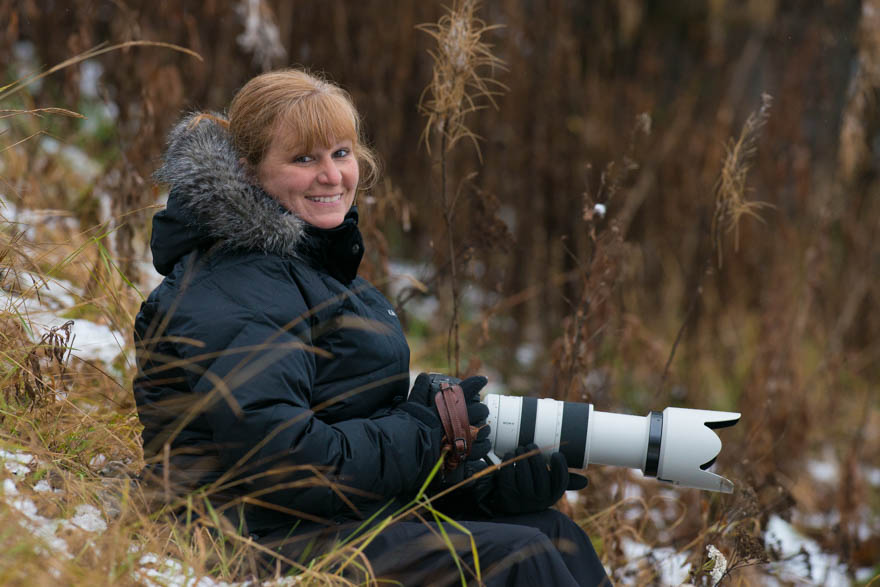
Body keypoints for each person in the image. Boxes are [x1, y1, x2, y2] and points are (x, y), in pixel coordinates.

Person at [133, 68, 609, 586]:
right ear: (248, 171)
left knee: (554, 534)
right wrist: (425, 432)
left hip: (322, 521)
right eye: (303, 158)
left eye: (340, 153)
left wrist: (483, 485)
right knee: (522, 559)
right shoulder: (233, 284)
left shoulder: (320, 274)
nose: (332, 175)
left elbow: (359, 441)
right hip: (240, 540)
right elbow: (282, 463)